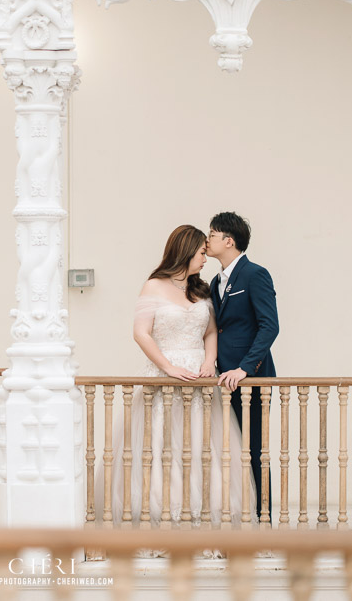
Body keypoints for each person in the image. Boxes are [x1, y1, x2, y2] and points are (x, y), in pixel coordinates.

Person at [110, 224, 249, 530]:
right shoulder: (154, 286)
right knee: (162, 446)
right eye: (201, 253)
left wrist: (210, 361)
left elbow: (211, 331)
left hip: (199, 380)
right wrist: (168, 366)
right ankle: (161, 517)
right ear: (185, 251)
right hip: (166, 378)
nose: (205, 259)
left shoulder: (201, 288)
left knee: (202, 446)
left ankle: (204, 515)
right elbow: (140, 333)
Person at [205, 212, 279, 519]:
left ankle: (264, 517)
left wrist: (245, 368)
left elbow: (269, 326)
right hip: (222, 380)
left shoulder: (255, 274)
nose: (206, 240)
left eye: (211, 235)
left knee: (256, 450)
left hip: (252, 379)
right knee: (232, 450)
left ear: (228, 240)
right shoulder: (214, 281)